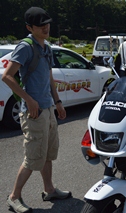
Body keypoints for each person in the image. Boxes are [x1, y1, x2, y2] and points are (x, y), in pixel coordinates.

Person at [2, 7, 71, 213]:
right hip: (33, 113)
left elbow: (49, 76)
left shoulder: (46, 47)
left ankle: (49, 189)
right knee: (33, 158)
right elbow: (7, 76)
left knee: (48, 154)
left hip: (48, 108)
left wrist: (57, 102)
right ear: (29, 27)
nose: (45, 27)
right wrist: (29, 100)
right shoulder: (25, 46)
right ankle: (14, 197)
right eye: (40, 25)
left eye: (47, 23)